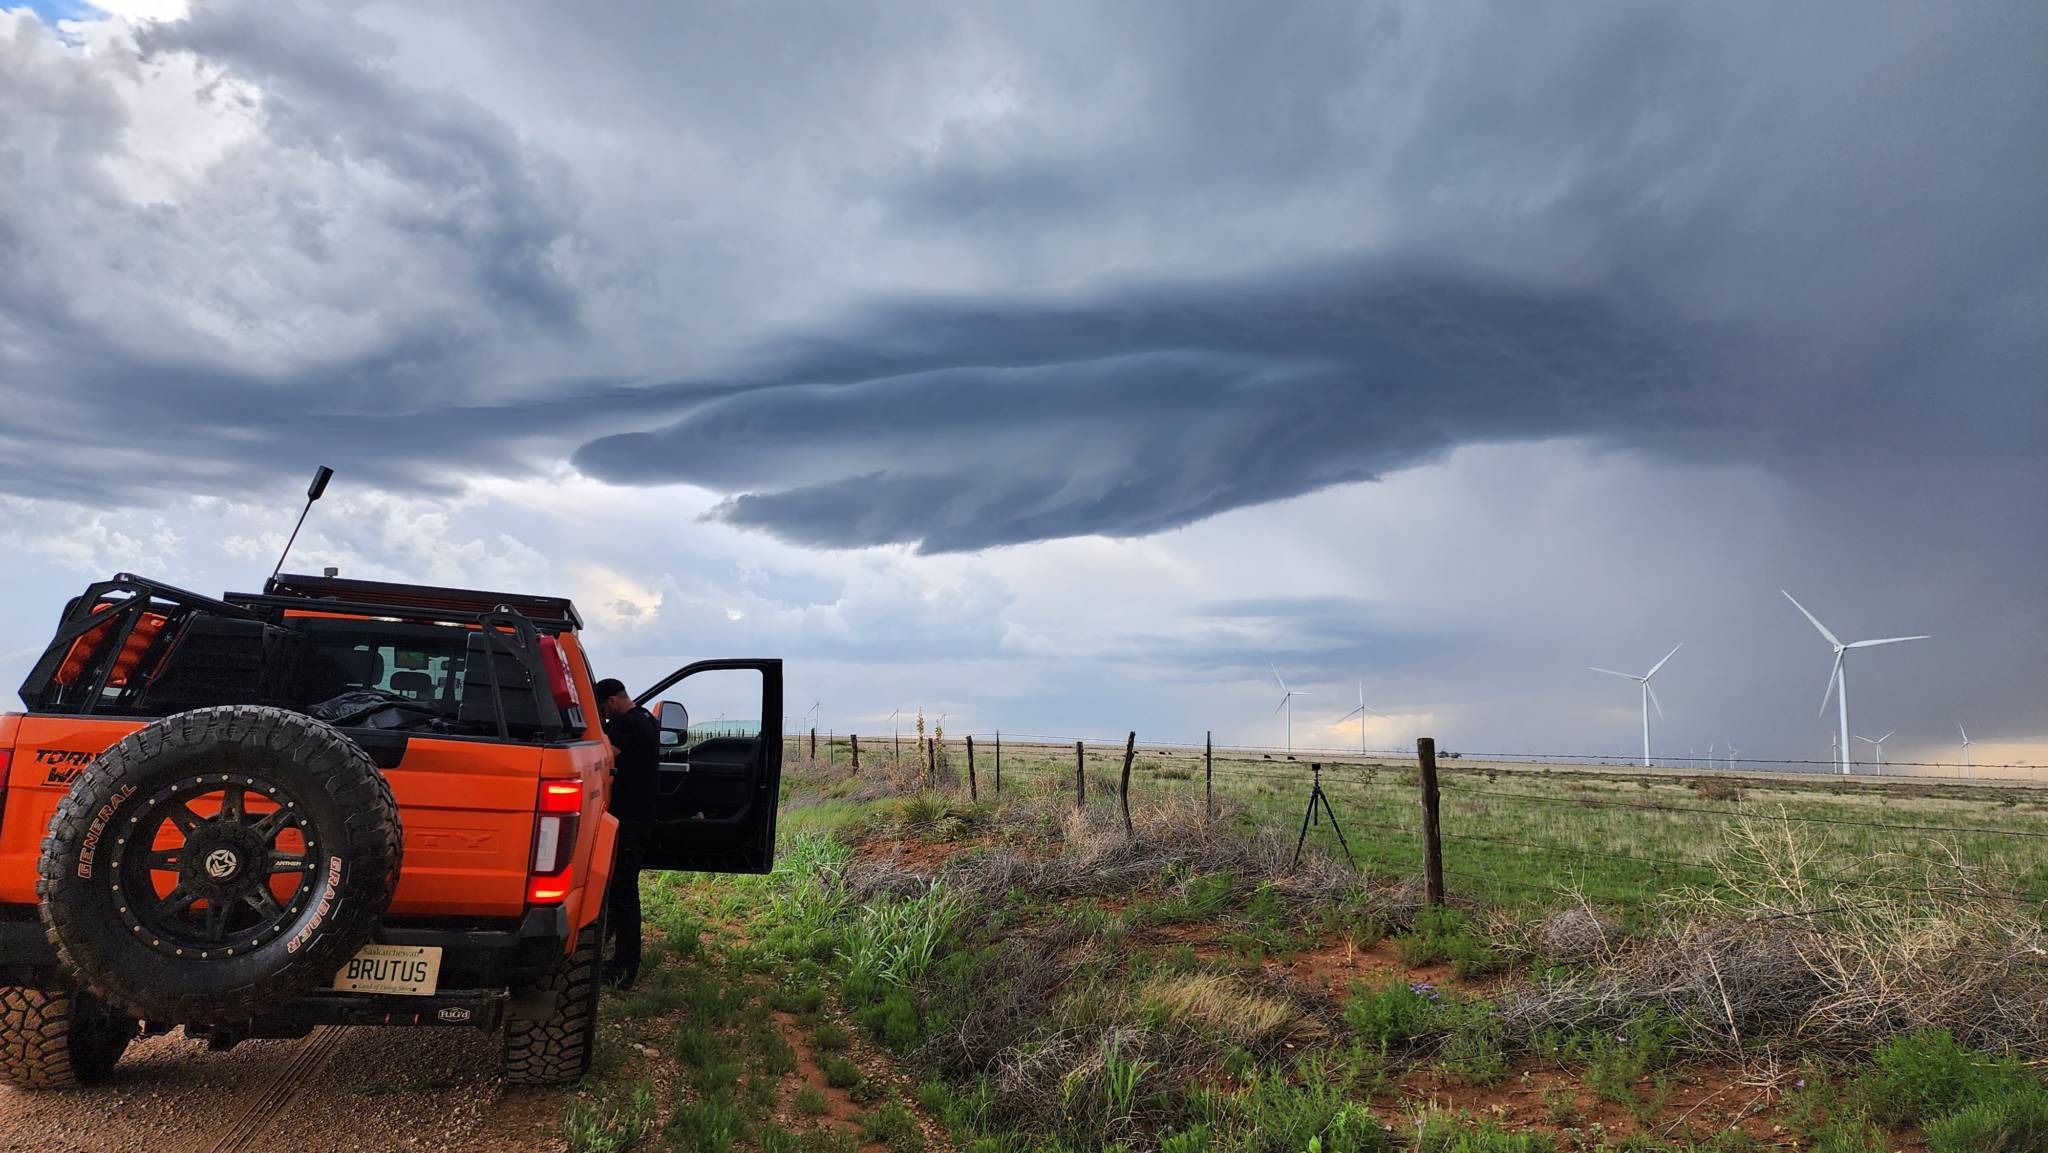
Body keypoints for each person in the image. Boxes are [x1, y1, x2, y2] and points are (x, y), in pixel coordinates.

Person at [595, 677, 659, 989]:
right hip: (638, 818)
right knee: (623, 891)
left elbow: (602, 757)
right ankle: (618, 962)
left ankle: (623, 970)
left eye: (605, 710)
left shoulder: (628, 726)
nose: (605, 717)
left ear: (613, 700)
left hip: (630, 821)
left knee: (624, 893)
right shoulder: (645, 719)